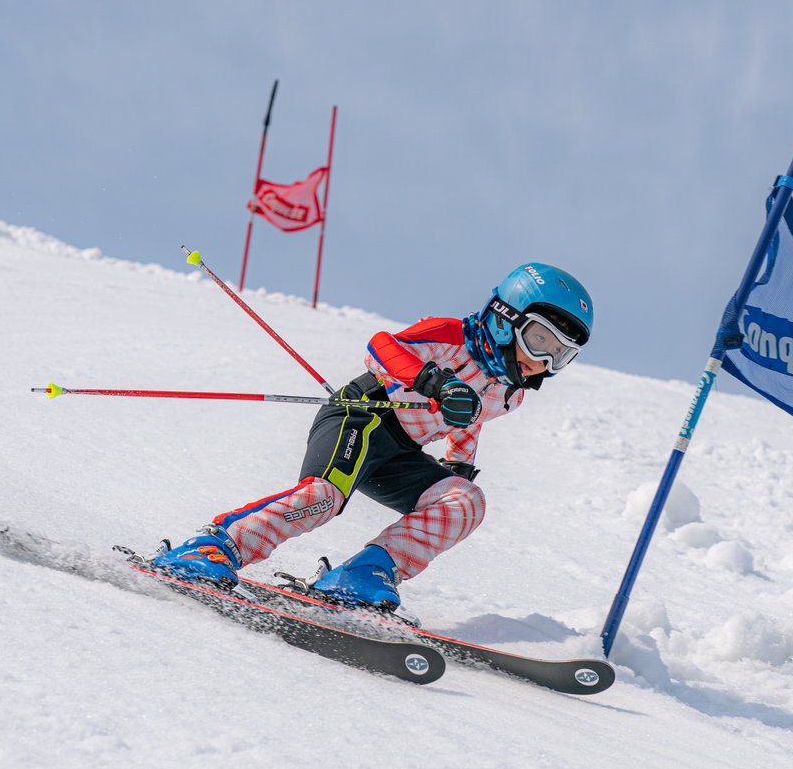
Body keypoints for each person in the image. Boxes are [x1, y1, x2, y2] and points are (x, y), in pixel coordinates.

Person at [151, 262, 593, 611]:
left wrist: (457, 465)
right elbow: (382, 346)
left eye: (561, 355)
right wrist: (432, 381)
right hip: (361, 415)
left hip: (400, 452)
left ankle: (362, 575)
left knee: (464, 502)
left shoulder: (509, 394)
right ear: (504, 318)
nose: (544, 361)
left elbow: (470, 419)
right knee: (323, 498)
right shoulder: (450, 335)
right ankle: (213, 548)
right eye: (539, 340)